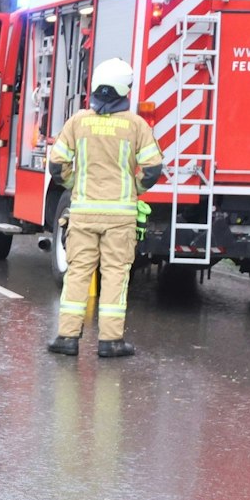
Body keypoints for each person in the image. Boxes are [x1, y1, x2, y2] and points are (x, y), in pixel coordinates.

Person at [46, 58, 164, 359]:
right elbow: (152, 169)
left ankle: (67, 337)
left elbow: (57, 165)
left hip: (83, 214)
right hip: (120, 217)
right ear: (126, 89)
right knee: (114, 274)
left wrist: (76, 185)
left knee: (77, 273)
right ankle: (110, 342)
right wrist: (131, 189)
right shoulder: (135, 125)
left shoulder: (78, 122)